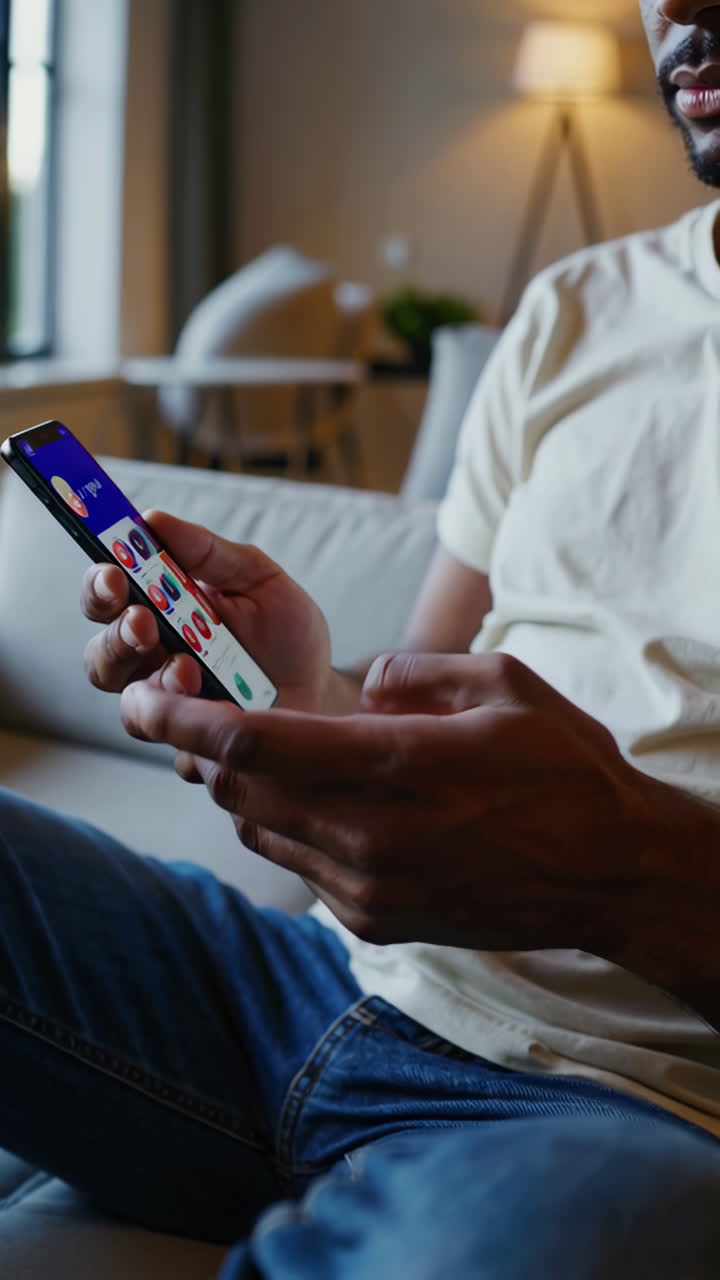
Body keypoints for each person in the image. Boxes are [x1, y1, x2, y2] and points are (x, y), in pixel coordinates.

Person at [4, 1, 720, 1275]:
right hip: (306, 984)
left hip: (642, 1108)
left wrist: (629, 868)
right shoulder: (577, 308)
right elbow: (407, 709)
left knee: (570, 1228)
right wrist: (303, 683)